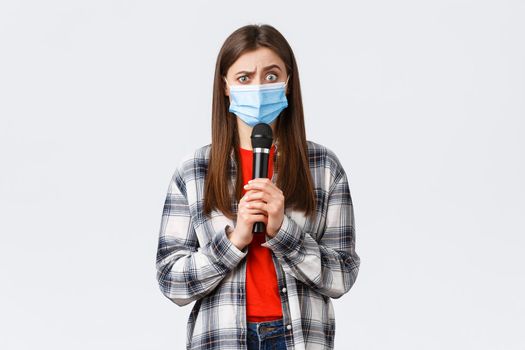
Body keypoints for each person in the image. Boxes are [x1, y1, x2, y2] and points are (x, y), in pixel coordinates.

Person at [155, 24, 360, 350]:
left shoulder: (322, 167)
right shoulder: (194, 171)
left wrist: (284, 232)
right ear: (225, 86)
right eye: (244, 78)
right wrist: (235, 241)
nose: (258, 87)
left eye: (270, 75)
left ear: (288, 83)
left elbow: (342, 276)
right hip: (221, 337)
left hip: (299, 338)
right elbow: (171, 281)